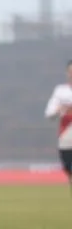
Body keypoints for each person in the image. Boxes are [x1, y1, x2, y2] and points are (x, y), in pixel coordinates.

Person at [44, 60, 72, 193]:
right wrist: (60, 109)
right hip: (66, 135)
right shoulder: (60, 91)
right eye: (70, 72)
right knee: (68, 167)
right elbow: (49, 114)